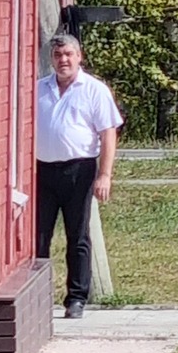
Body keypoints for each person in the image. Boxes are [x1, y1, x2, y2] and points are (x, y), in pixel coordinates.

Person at [36, 32, 121, 320]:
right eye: (58, 56)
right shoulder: (38, 89)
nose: (63, 60)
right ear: (51, 59)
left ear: (79, 57)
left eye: (68, 55)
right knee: (38, 237)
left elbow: (108, 132)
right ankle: (38, 297)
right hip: (42, 171)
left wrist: (105, 175)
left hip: (79, 171)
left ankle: (76, 298)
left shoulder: (94, 90)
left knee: (78, 236)